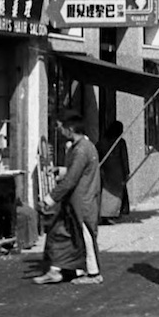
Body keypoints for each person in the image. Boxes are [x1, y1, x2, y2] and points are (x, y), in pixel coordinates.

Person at [36, 112, 104, 285]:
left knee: (85, 236)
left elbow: (72, 179)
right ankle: (58, 269)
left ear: (71, 129)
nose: (61, 131)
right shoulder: (82, 147)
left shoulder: (81, 150)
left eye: (63, 128)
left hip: (82, 202)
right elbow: (77, 172)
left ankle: (93, 274)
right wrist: (60, 170)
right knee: (63, 234)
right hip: (76, 201)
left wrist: (49, 199)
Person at [96, 120, 129, 224]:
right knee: (116, 194)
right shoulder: (120, 142)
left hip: (106, 171)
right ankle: (112, 214)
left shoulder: (102, 142)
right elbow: (124, 158)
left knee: (106, 193)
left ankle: (105, 214)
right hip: (117, 171)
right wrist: (126, 172)